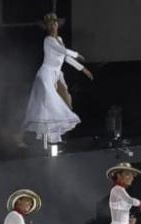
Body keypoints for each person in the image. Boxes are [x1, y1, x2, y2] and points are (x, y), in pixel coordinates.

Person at [18, 12, 93, 147]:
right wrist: (77, 54)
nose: (52, 26)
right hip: (45, 76)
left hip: (57, 75)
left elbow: (65, 57)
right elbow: (63, 51)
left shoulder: (59, 39)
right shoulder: (48, 40)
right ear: (47, 27)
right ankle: (20, 137)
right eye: (50, 24)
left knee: (67, 103)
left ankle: (54, 136)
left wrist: (83, 69)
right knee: (42, 108)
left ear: (58, 25)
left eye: (54, 23)